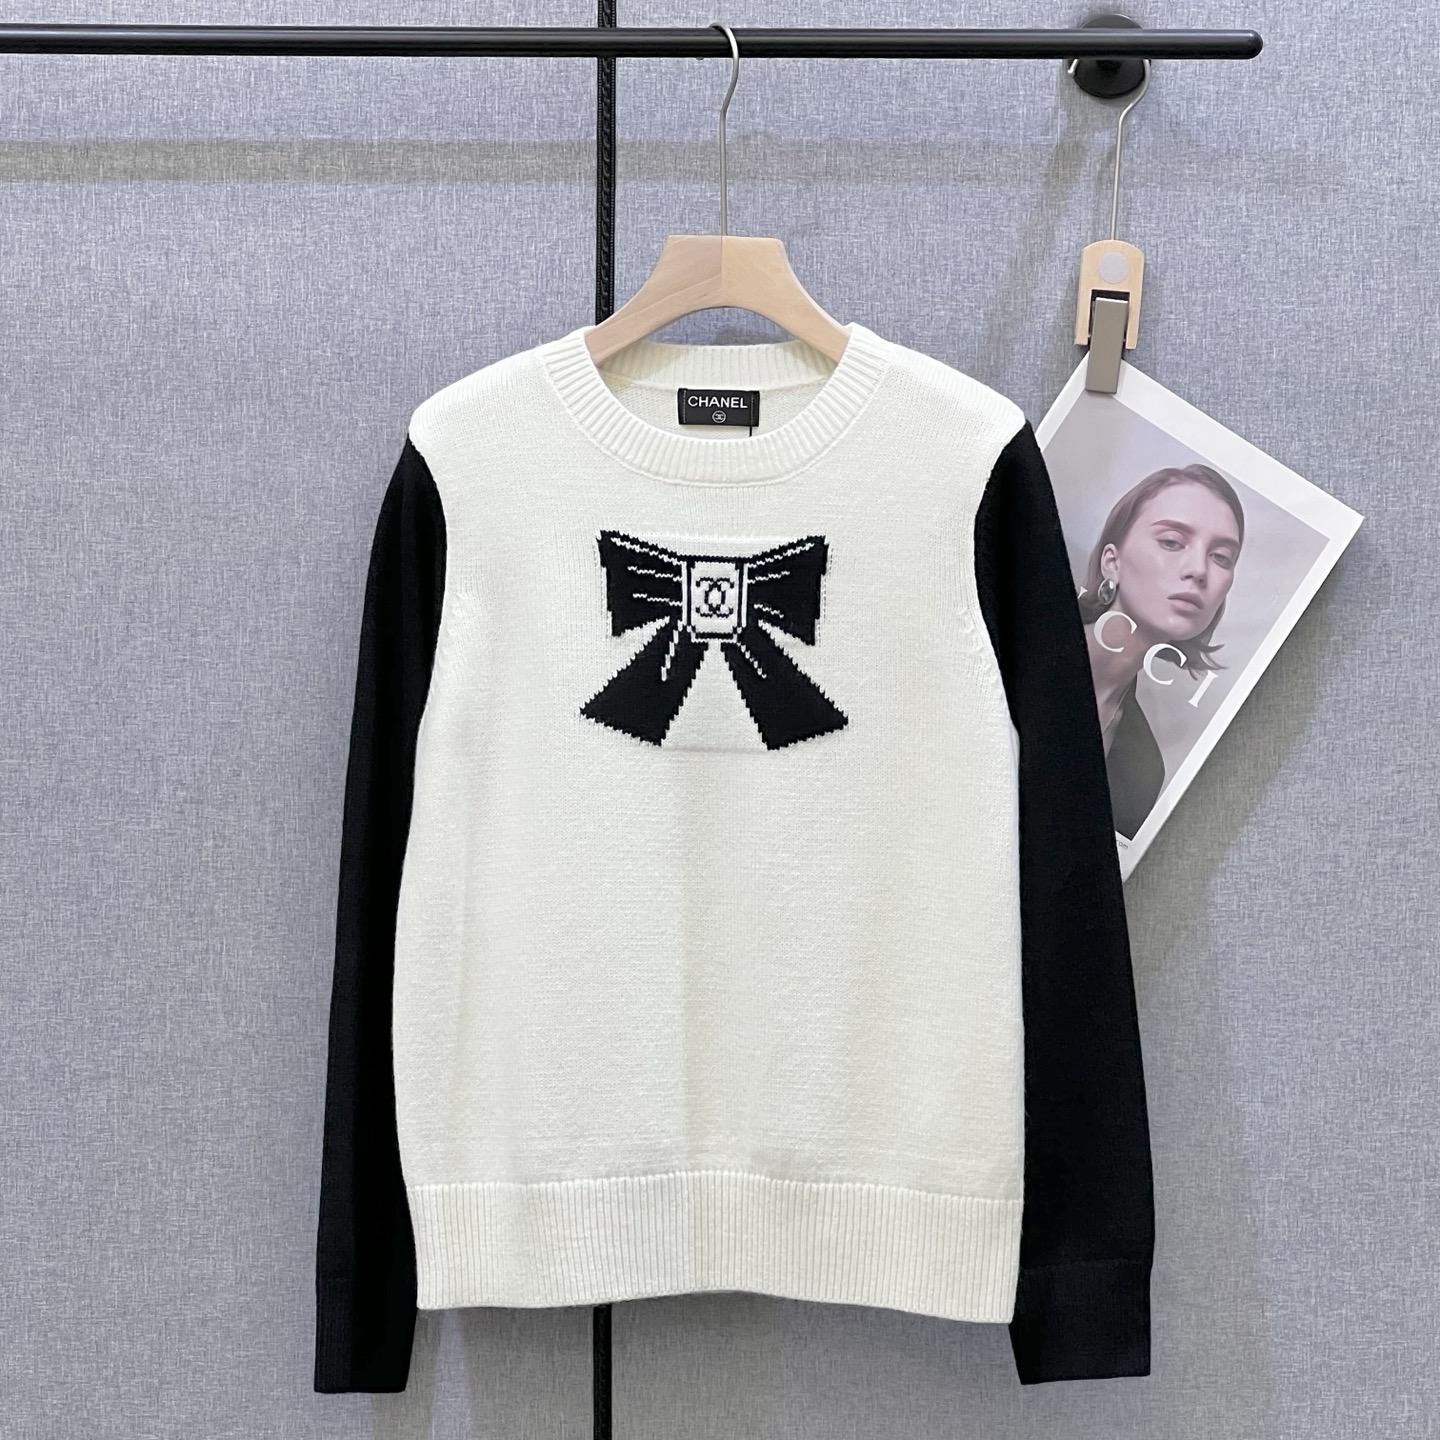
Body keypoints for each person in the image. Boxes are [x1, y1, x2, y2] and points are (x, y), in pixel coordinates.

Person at [1076, 463, 1245, 840]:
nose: (1198, 570)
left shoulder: (1143, 771)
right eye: (1171, 542)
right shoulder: (1013, 639)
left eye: (1221, 557)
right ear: (1112, 562)